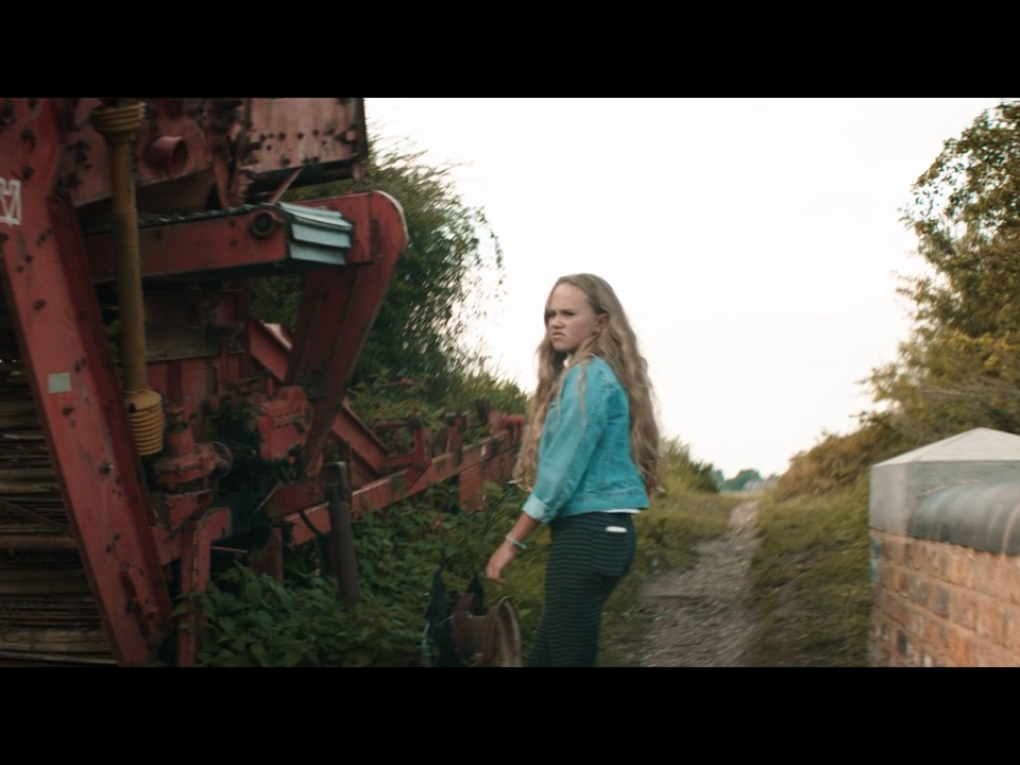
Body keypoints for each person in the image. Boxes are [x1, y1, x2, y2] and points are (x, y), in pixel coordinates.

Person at [485, 273, 662, 667]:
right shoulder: (600, 374)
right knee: (545, 658)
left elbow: (559, 475)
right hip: (604, 534)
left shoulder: (587, 377)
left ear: (600, 322)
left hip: (588, 537)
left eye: (568, 313)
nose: (555, 323)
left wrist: (512, 542)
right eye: (551, 314)